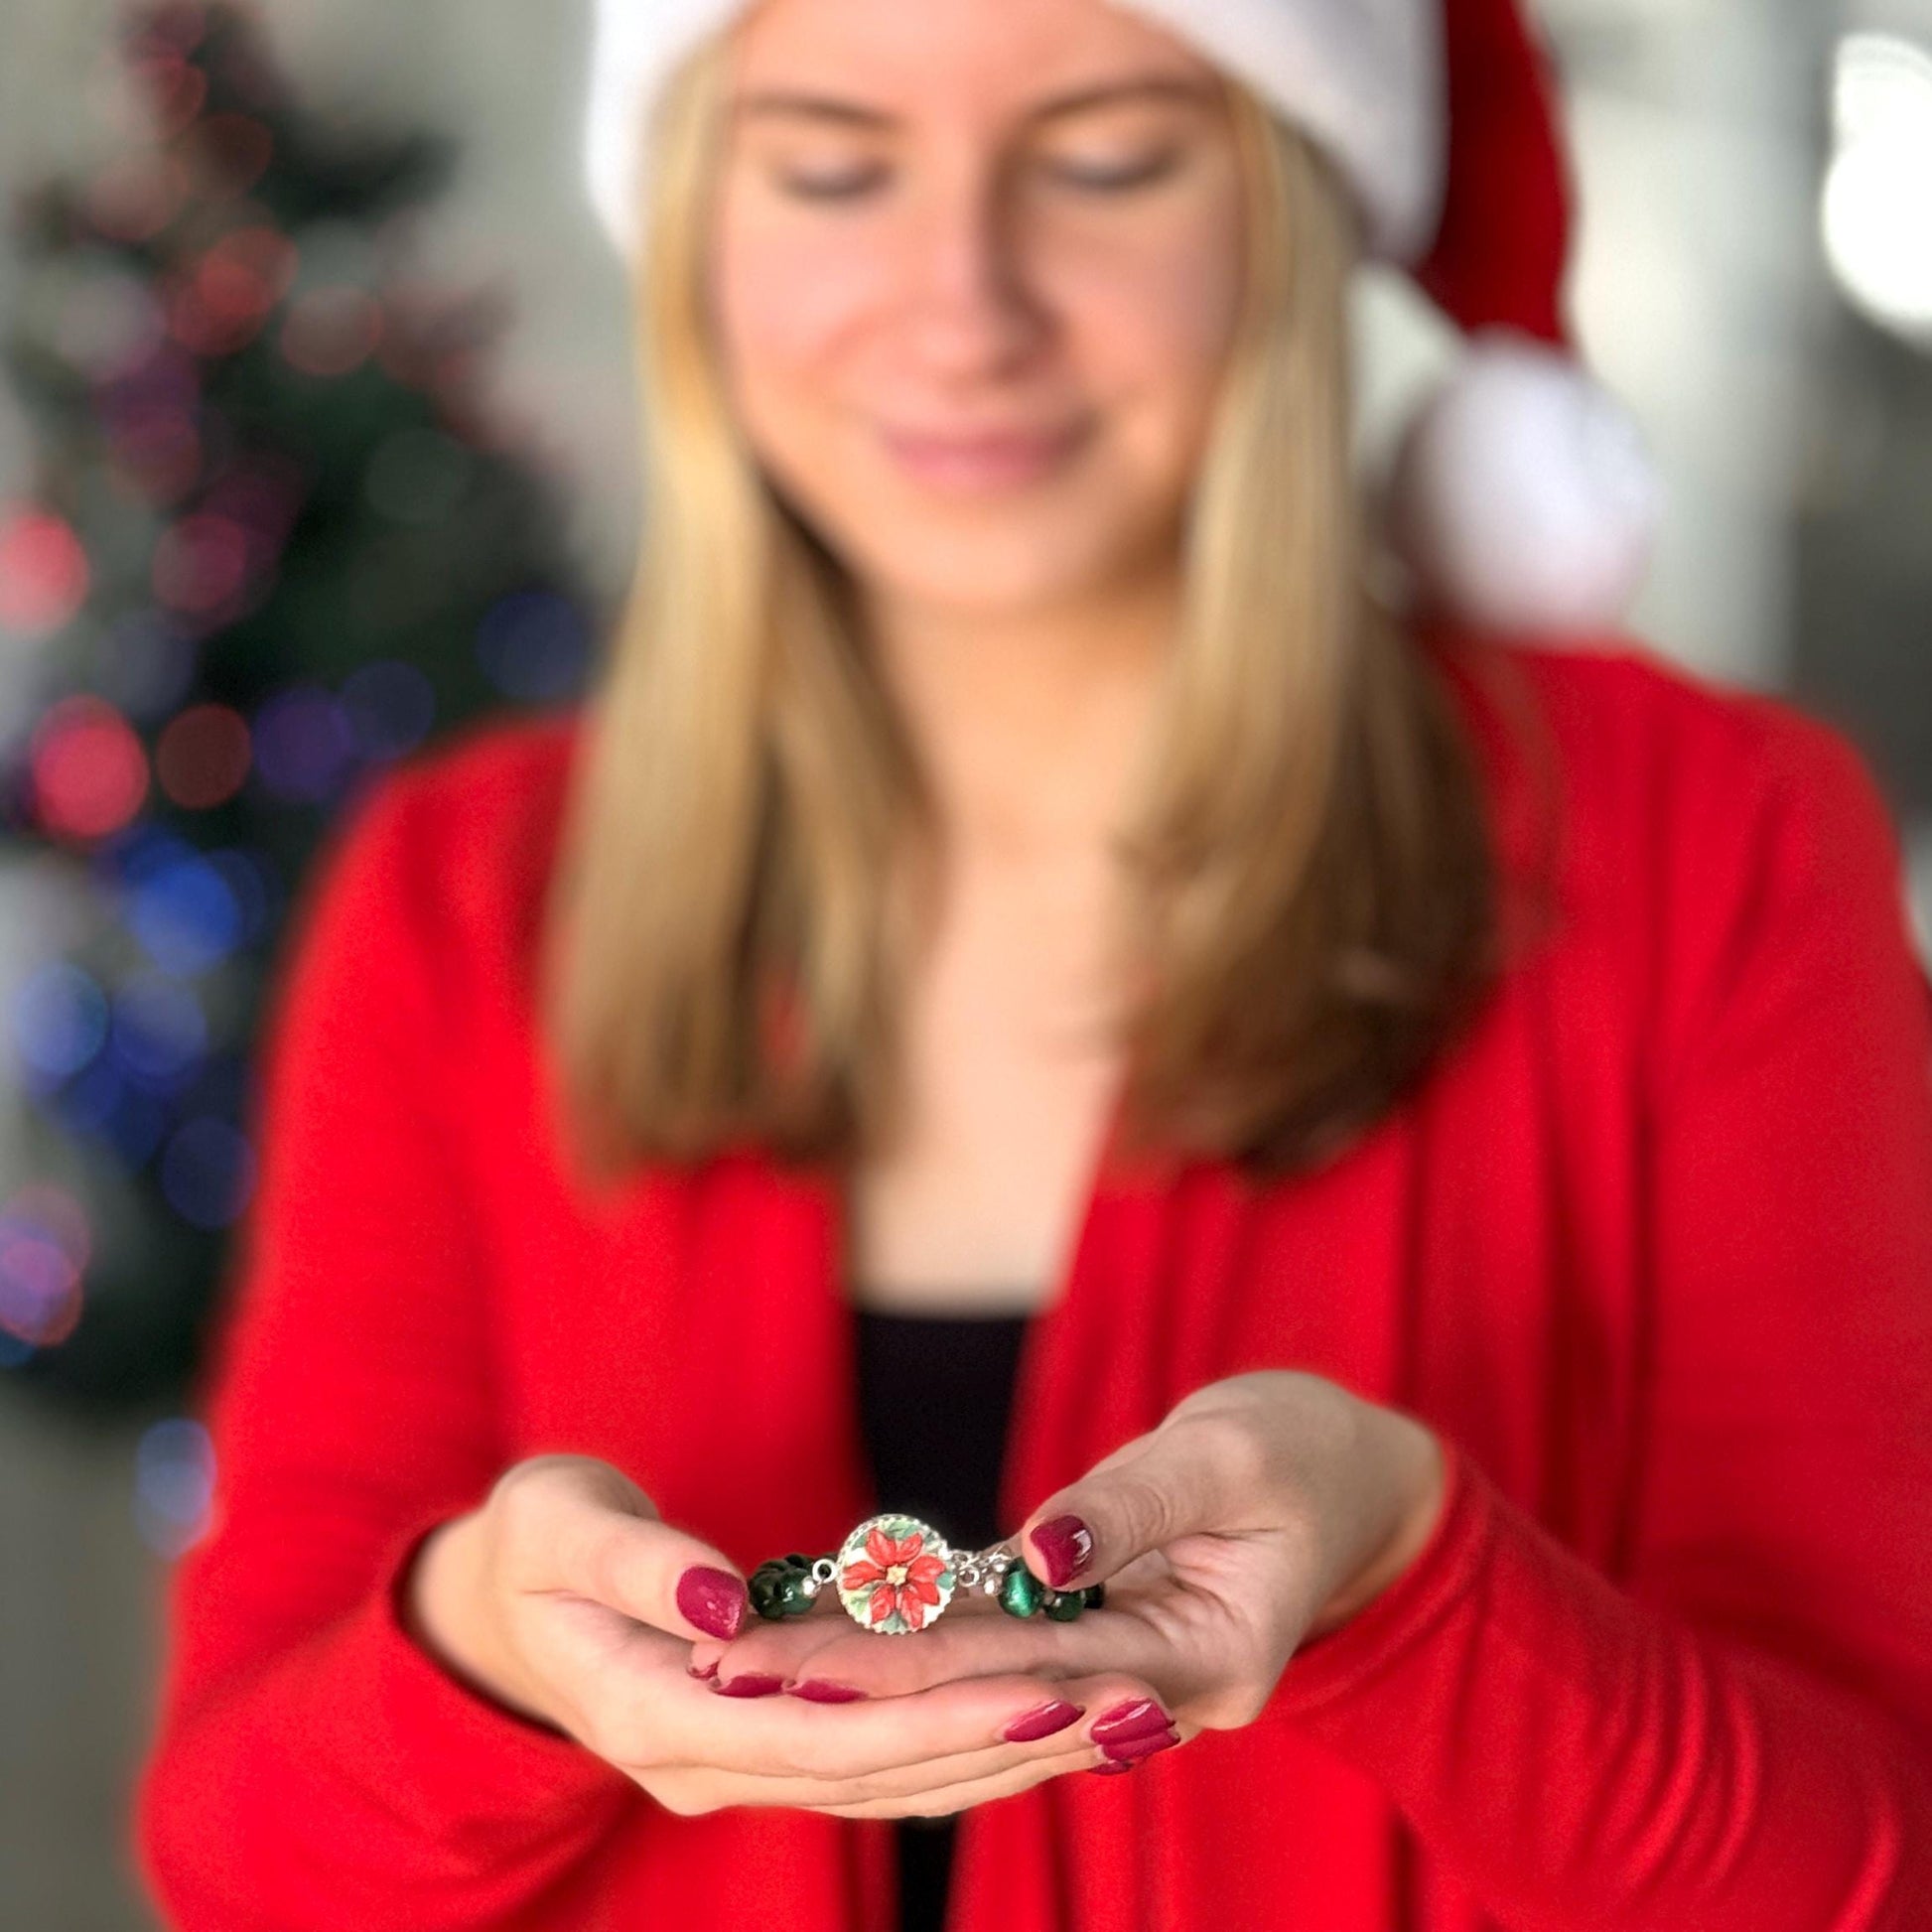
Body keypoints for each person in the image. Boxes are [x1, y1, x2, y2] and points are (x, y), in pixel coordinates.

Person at [131, 0, 1932, 1927]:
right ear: (694, 228)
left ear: (1291, 205)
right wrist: (471, 1659)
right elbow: (242, 1859)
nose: (961, 304)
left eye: (1103, 160)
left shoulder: (1716, 851)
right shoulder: (459, 895)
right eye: (832, 164)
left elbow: (1874, 1860)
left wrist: (1412, 1578)